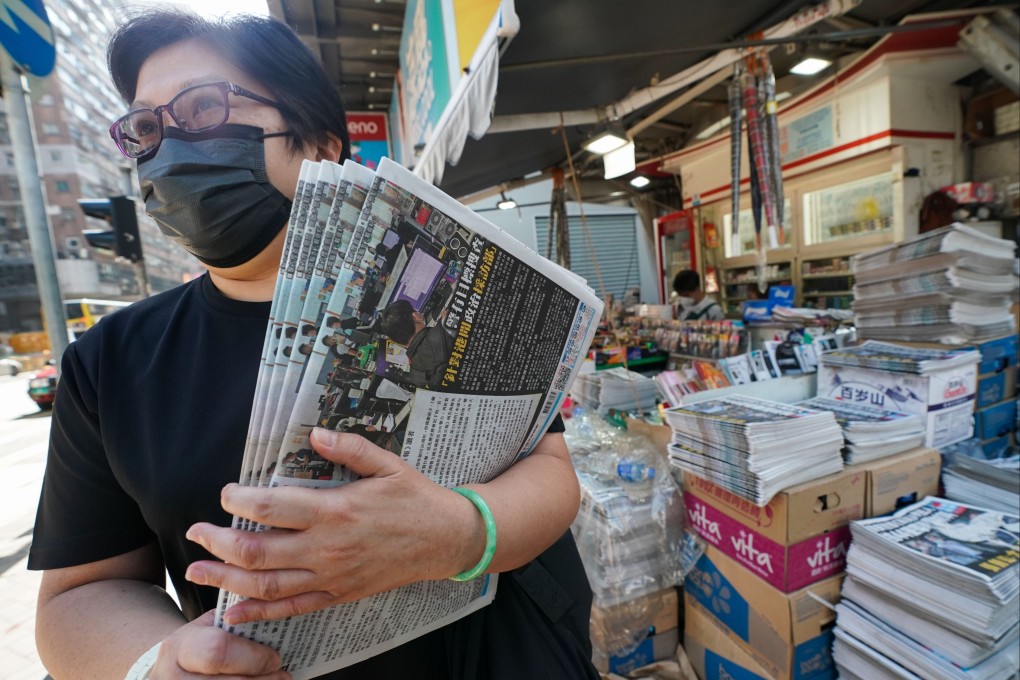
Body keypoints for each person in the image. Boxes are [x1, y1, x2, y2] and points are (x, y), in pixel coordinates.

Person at [29, 10, 596, 680]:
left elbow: (552, 473)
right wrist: (157, 662)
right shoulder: (111, 360)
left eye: (204, 107)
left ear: (322, 145)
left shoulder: (440, 277)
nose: (171, 147)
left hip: (511, 656)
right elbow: (78, 592)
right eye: (146, 129)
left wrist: (456, 531)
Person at [378, 299, 453, 388]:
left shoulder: (414, 377)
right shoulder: (445, 330)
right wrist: (443, 321)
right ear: (415, 316)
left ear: (395, 341)